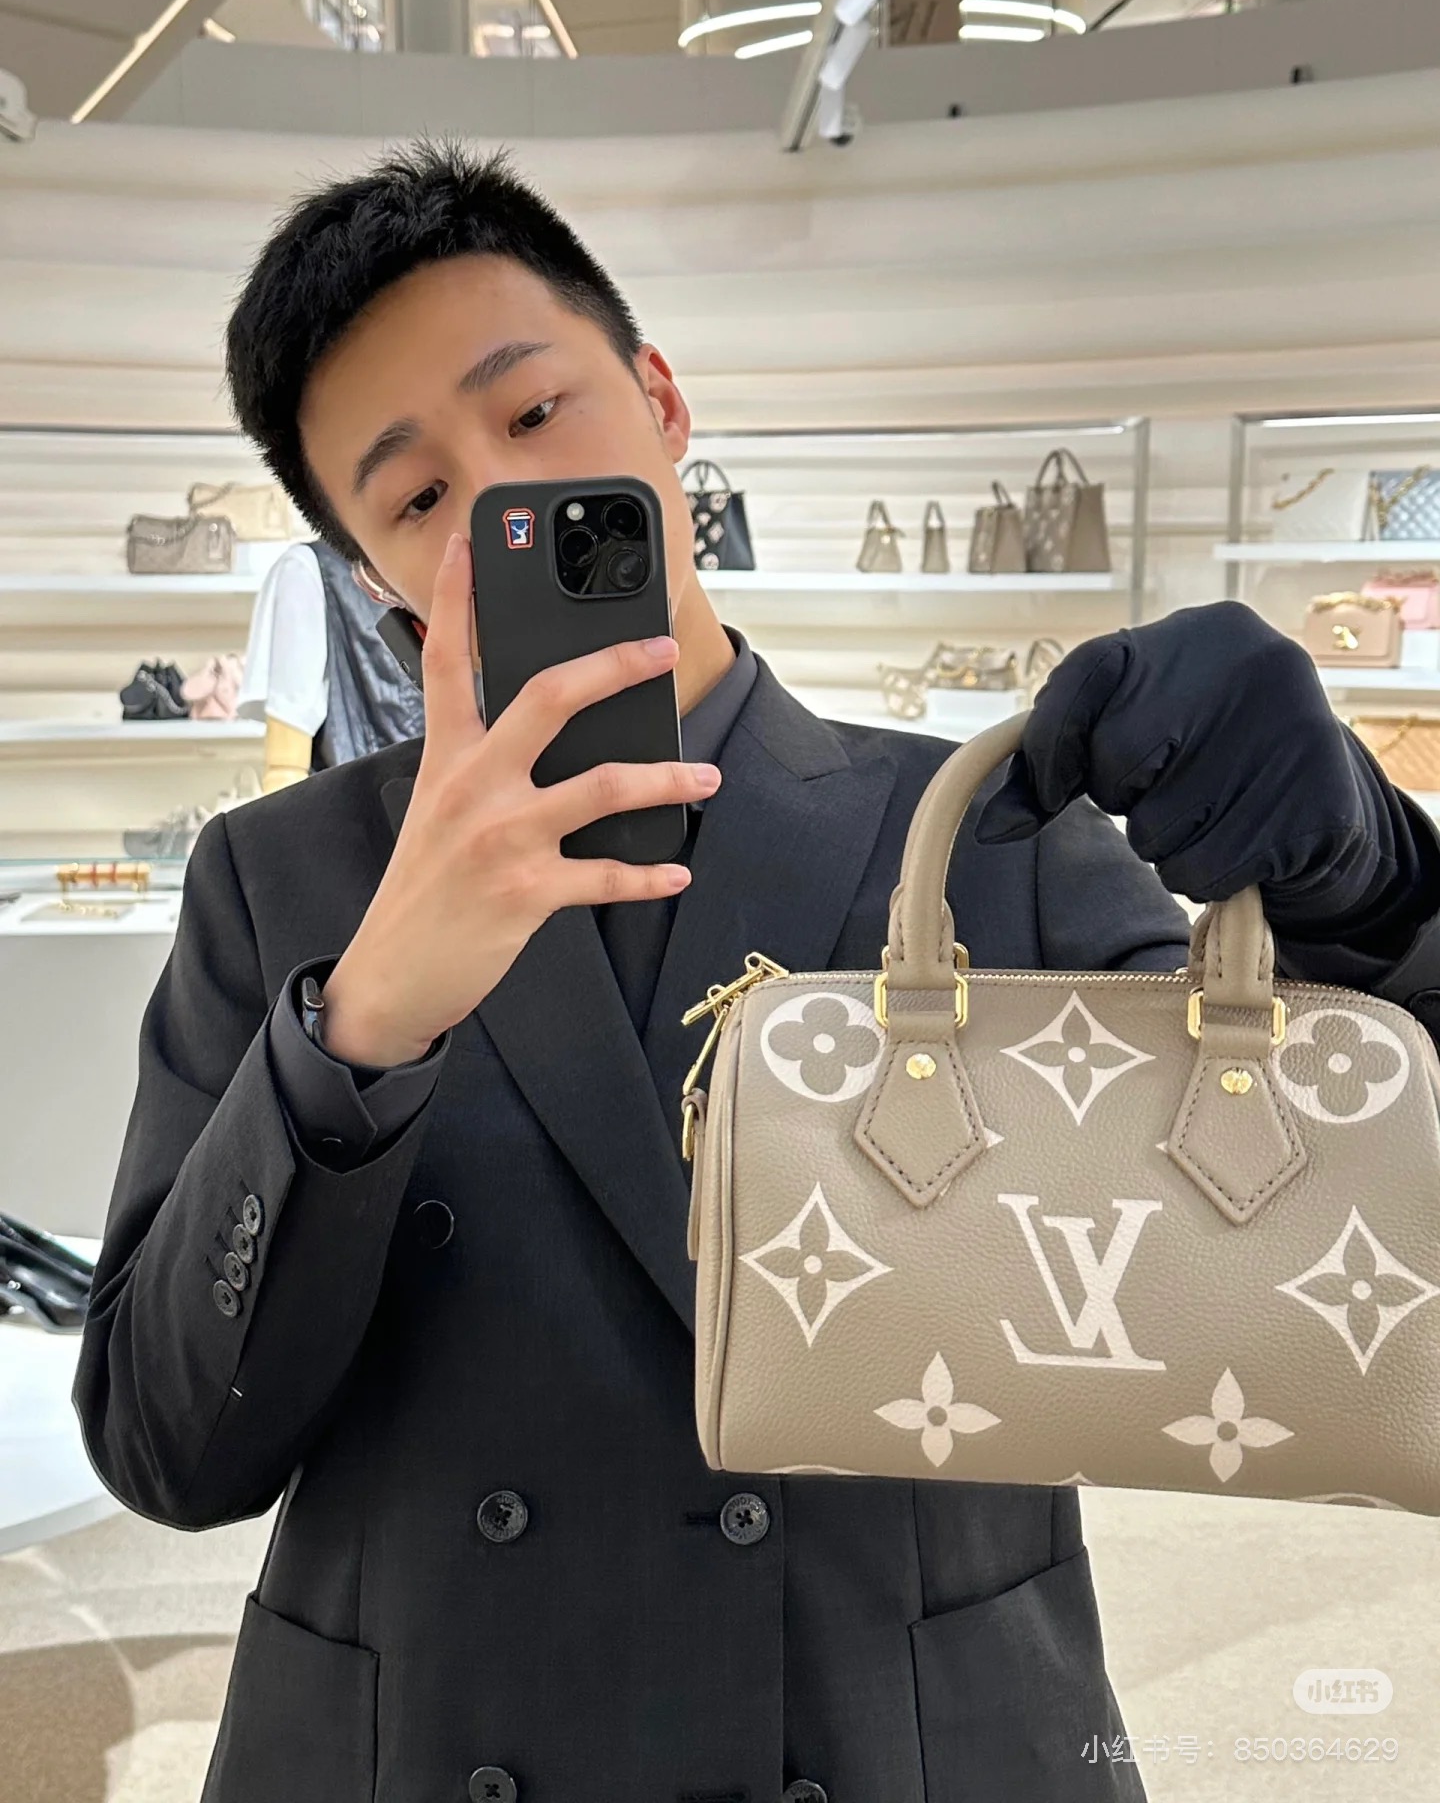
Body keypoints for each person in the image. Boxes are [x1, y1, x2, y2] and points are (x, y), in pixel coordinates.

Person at [72, 140, 1440, 1803]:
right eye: (417, 498)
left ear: (660, 403)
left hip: (894, 1738)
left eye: (537, 411)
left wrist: (1370, 884)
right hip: (423, 1739)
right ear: (370, 578)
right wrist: (362, 1026)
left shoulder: (983, 828)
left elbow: (1347, 1229)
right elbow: (167, 1447)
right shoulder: (279, 878)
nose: (500, 505)